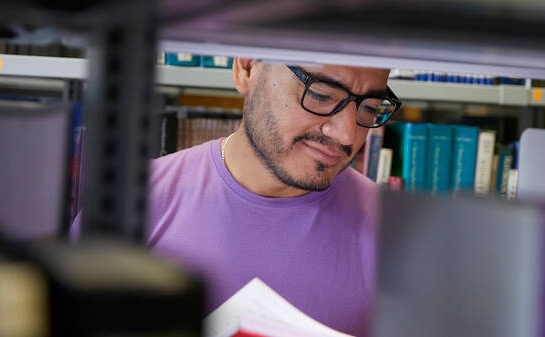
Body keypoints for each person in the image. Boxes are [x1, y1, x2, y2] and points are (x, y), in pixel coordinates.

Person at [147, 58, 401, 336]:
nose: (346, 135)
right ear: (246, 69)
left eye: (370, 108)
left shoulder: (400, 235)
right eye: (321, 95)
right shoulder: (136, 200)